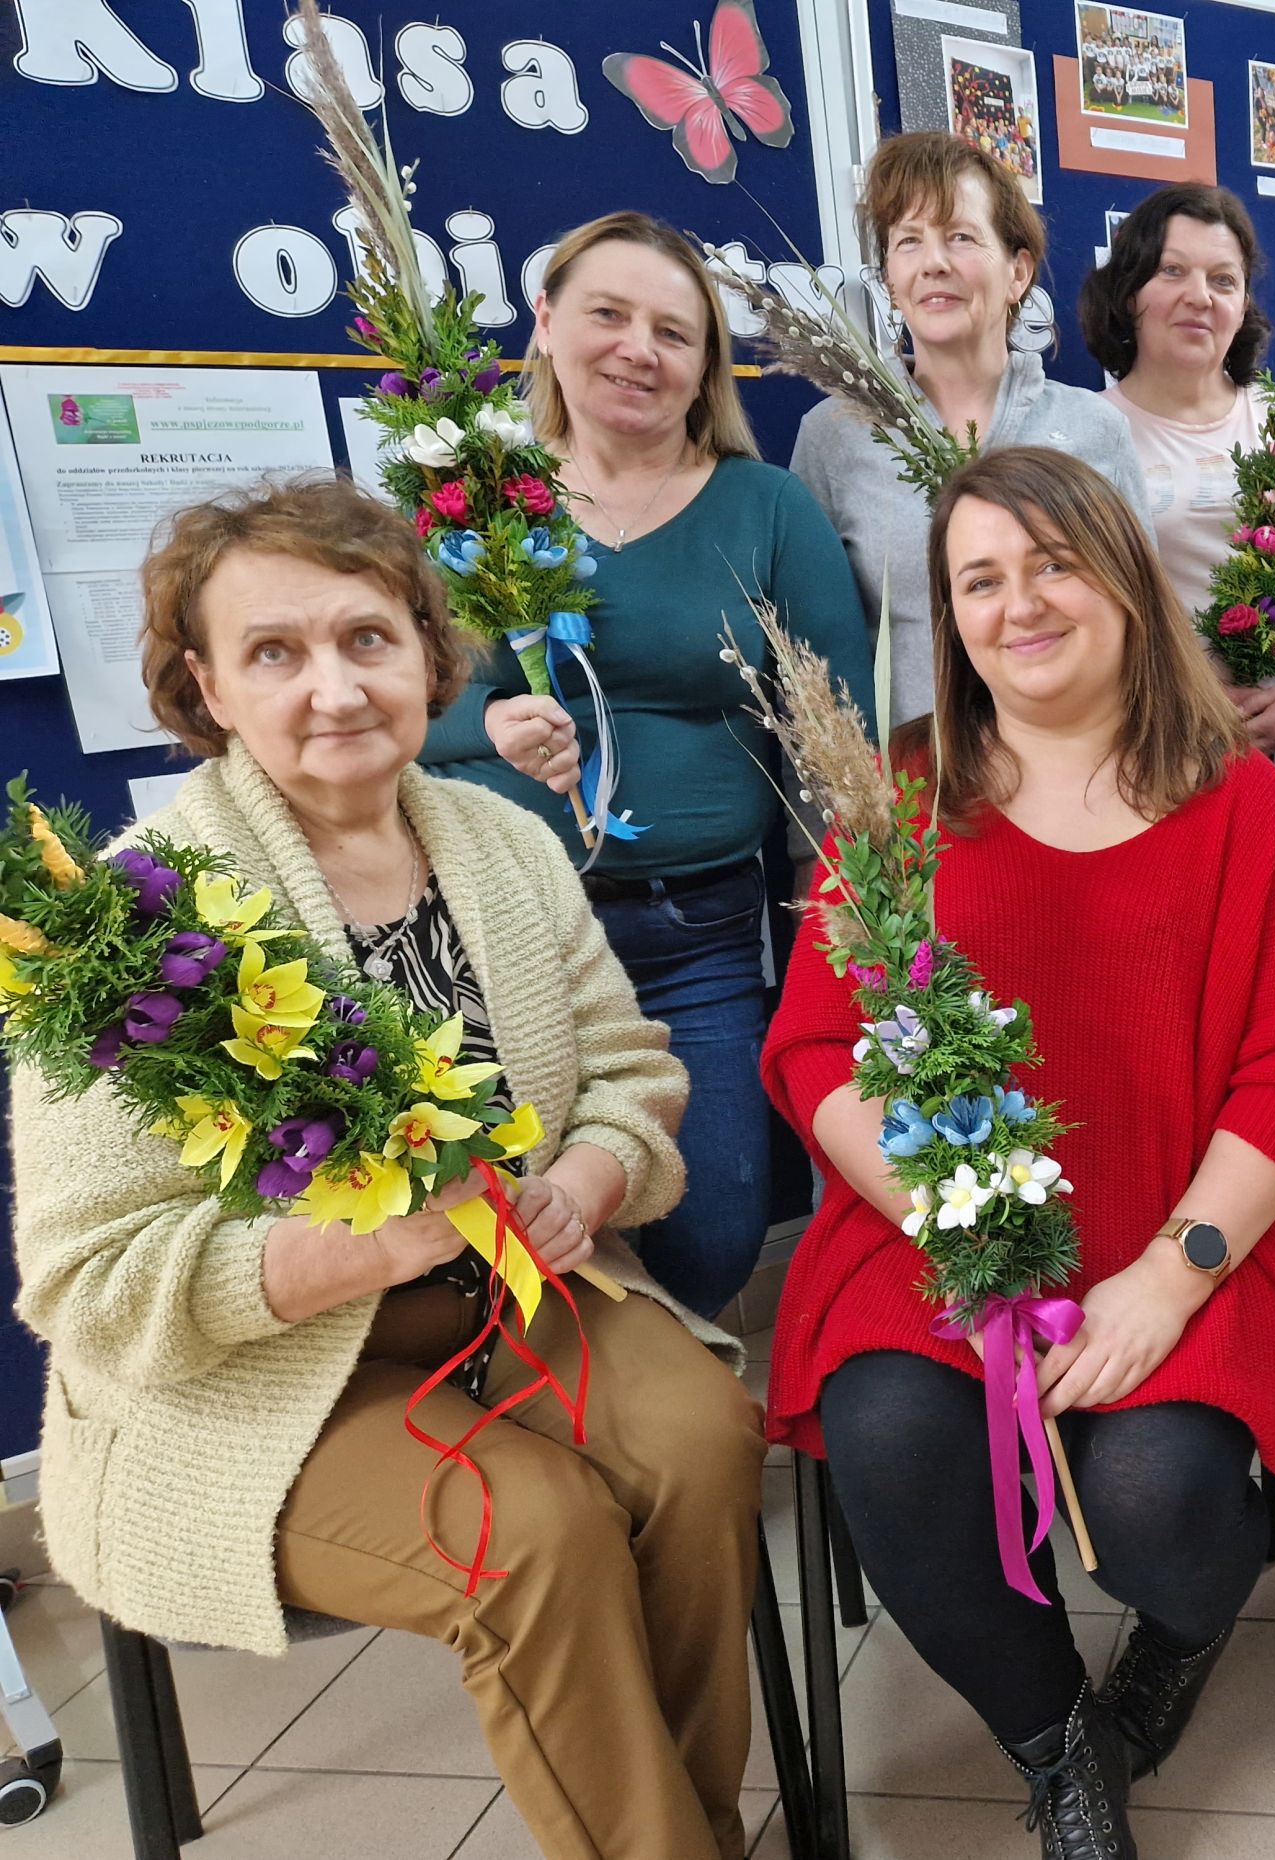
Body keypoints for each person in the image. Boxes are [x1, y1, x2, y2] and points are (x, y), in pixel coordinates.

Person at [14, 476, 764, 1860]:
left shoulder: (501, 839)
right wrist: (367, 1245)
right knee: (533, 1533)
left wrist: (588, 1181)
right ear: (207, 688)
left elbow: (628, 1068)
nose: (337, 688)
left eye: (368, 637)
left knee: (703, 1438)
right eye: (274, 652)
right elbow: (86, 1281)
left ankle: (689, 1835)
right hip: (260, 1378)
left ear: (428, 650)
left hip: (516, 1287)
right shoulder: (132, 916)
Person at [760, 448, 1275, 1854]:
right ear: (949, 615)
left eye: (1052, 564)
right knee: (893, 1438)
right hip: (938, 1218)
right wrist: (956, 1224)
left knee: (1157, 1498)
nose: (1020, 603)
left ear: (1122, 577)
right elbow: (816, 1050)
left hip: (1186, 1214)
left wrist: (1173, 1274)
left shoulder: (1236, 800)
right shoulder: (899, 793)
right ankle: (1059, 1742)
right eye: (980, 579)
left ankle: (1181, 1630)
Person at [421, 210, 872, 1319]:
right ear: (544, 323)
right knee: (496, 1230)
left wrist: (849, 918)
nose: (639, 350)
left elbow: (841, 736)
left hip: (695, 937)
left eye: (674, 332)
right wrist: (493, 722)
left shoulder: (766, 508)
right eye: (609, 315)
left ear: (706, 363)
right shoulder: (466, 503)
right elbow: (391, 712)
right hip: (499, 929)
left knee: (714, 1235)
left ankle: (665, 1379)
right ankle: (575, 1409)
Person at [793, 131, 1150, 733]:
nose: (934, 262)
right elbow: (812, 654)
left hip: (1078, 767)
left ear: (1017, 272)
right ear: (890, 281)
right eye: (909, 241)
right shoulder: (834, 435)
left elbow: (1143, 622)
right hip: (910, 781)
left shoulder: (1094, 429)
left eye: (960, 236)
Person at [1082, 181, 1275, 828]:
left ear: (1241, 305)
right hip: (1168, 738)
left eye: (1223, 279)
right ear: (1129, 292)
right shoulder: (1086, 432)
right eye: (1172, 271)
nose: (1200, 296)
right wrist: (1189, 697)